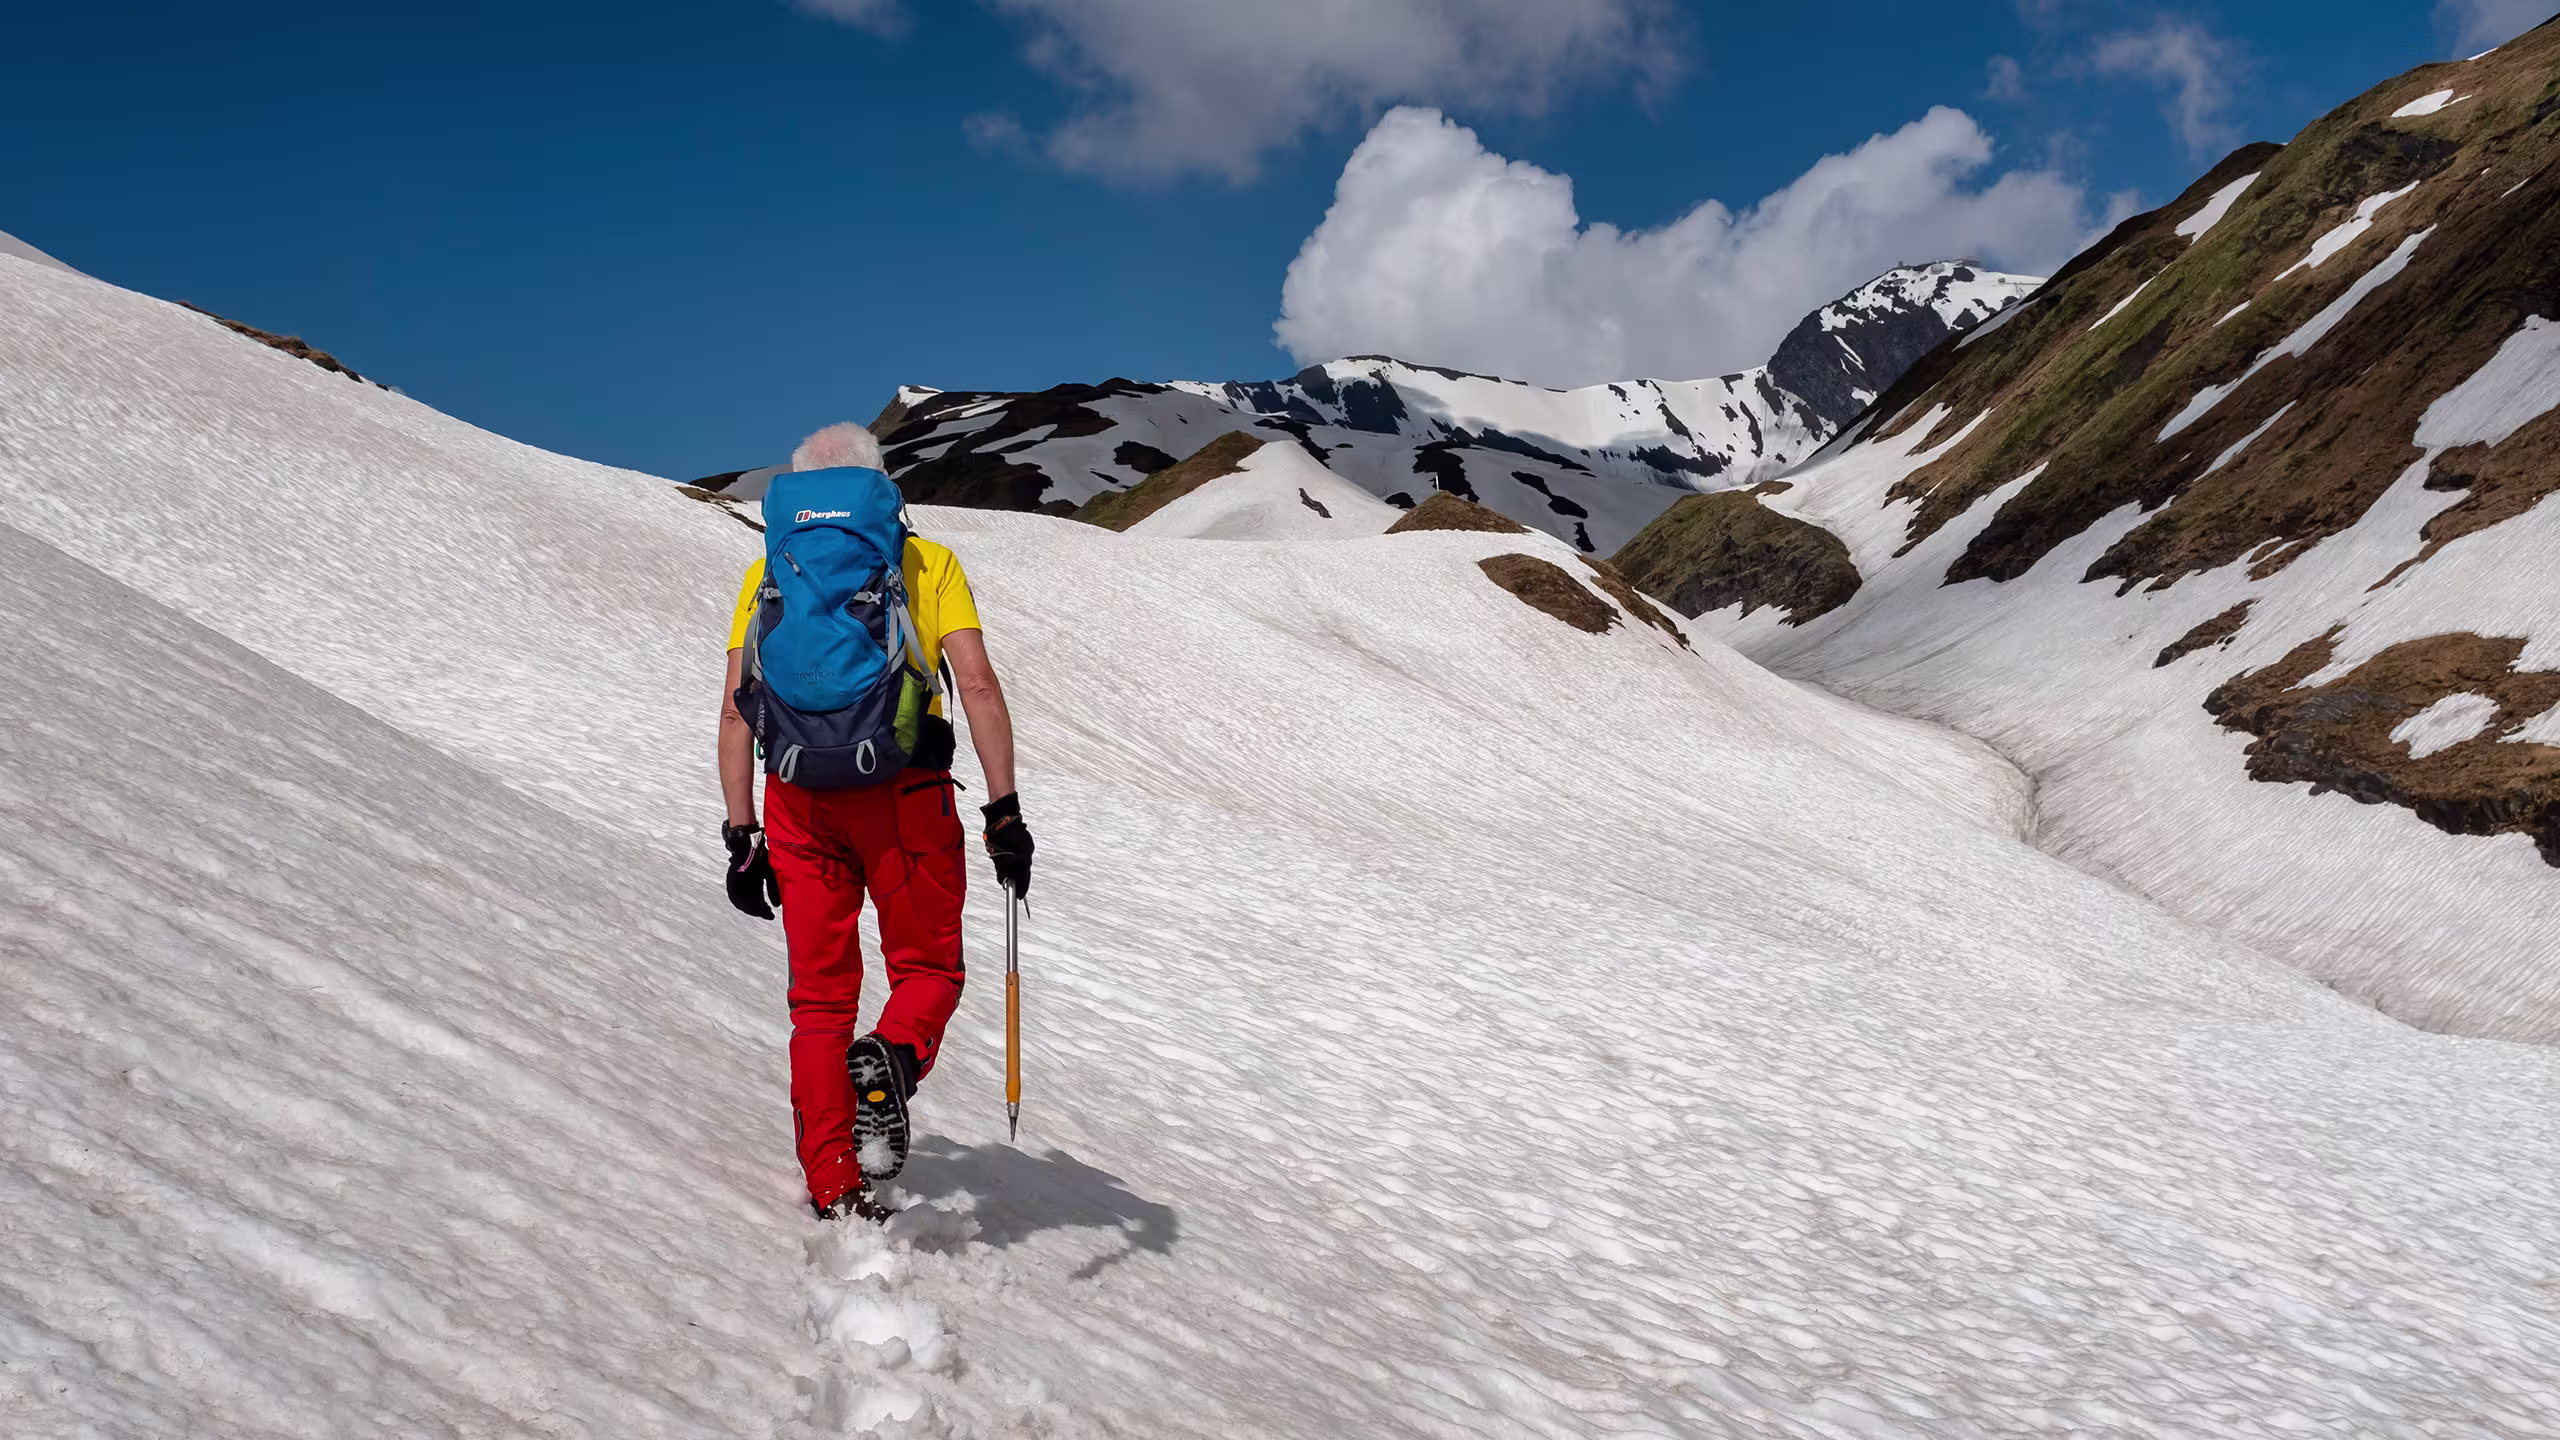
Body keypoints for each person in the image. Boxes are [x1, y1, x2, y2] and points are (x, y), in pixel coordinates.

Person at [716, 421, 1035, 1221]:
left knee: (819, 1002)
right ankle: (890, 1059)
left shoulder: (769, 572)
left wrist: (740, 832)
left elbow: (734, 713)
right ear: (879, 487)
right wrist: (1004, 813)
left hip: (796, 799)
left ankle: (835, 1186)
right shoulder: (923, 563)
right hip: (904, 791)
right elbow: (981, 687)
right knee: (927, 970)